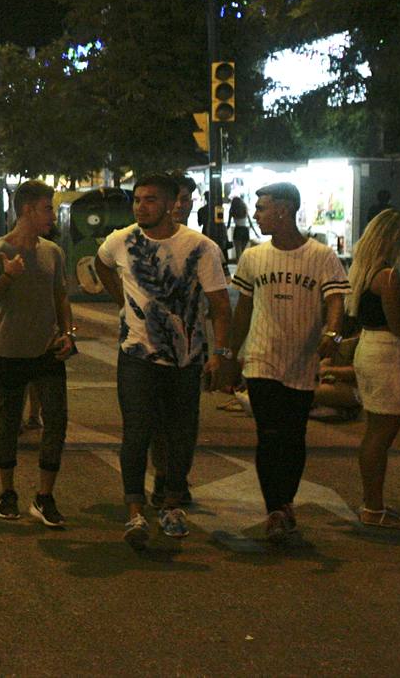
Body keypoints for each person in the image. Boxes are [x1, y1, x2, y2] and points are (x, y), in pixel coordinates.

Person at [95, 173, 234, 551]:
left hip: (185, 359)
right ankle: (135, 510)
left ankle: (172, 505)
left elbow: (221, 306)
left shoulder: (200, 248)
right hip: (136, 356)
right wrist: (123, 302)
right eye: (138, 199)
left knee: (179, 435)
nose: (141, 206)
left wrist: (221, 354)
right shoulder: (122, 240)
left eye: (150, 199)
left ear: (173, 203)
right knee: (136, 432)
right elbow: (102, 263)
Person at [224, 182, 349, 543]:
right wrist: (230, 354)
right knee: (269, 434)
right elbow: (243, 309)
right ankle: (276, 508)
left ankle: (286, 500)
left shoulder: (321, 256)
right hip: (262, 358)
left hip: (301, 360)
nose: (257, 214)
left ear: (284, 209)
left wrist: (333, 334)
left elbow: (336, 300)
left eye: (262, 207)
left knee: (294, 436)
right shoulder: (253, 256)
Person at [0, 181, 75, 527]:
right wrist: (8, 277)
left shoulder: (53, 252)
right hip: (11, 350)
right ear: (28, 210)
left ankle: (45, 497)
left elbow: (61, 295)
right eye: (47, 208)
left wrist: (68, 333)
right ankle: (7, 491)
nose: (52, 214)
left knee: (56, 421)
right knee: (9, 423)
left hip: (48, 350)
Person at [345, 209, 400, 529]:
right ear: (392, 239)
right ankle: (373, 507)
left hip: (371, 349)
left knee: (375, 432)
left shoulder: (365, 271)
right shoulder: (386, 276)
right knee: (381, 435)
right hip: (387, 352)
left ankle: (372, 504)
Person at [148, 172, 200, 503]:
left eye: (188, 200)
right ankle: (163, 476)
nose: (182, 206)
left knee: (185, 420)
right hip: (152, 347)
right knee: (156, 419)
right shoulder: (145, 240)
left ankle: (177, 478)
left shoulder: (198, 243)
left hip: (190, 347)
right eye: (178, 199)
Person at [229, 195, 255, 261]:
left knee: (238, 253)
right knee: (243, 253)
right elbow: (250, 223)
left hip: (237, 230)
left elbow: (228, 224)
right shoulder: (244, 208)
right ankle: (243, 268)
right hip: (245, 231)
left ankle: (239, 268)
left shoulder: (232, 210)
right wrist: (255, 232)